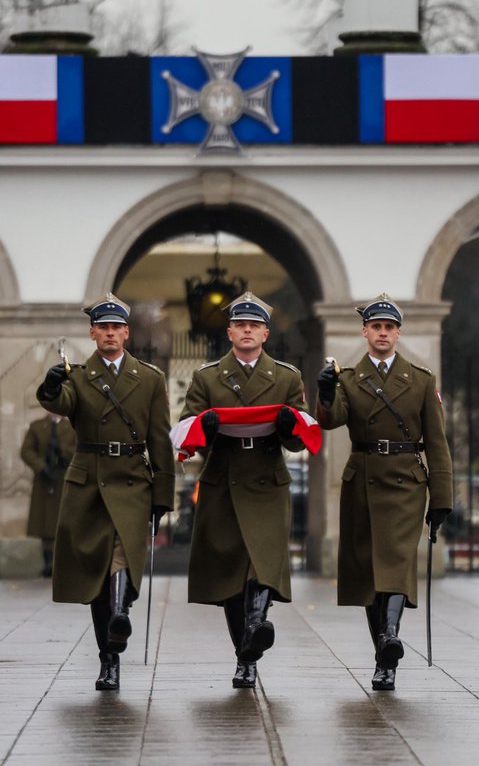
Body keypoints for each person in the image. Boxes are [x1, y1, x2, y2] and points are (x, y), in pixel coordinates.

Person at [314, 294, 454, 691]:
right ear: (365, 331)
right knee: (369, 573)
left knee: (395, 561)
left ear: (398, 333)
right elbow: (332, 420)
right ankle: (384, 654)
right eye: (376, 326)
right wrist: (326, 394)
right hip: (363, 478)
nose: (382, 333)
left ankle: (390, 636)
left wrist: (442, 497)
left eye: (389, 327)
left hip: (406, 482)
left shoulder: (421, 379)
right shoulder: (348, 377)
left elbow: (437, 442)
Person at [37, 294, 174, 691]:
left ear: (126, 333)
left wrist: (163, 493)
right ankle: (108, 657)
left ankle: (119, 615)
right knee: (97, 576)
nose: (110, 333)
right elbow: (62, 403)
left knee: (123, 554)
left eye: (116, 327)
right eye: (103, 327)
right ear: (92, 333)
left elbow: (160, 438)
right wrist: (51, 385)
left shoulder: (150, 378)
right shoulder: (78, 376)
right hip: (89, 482)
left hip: (132, 479)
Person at [181, 291, 308, 690]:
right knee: (232, 575)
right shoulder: (207, 376)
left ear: (266, 333)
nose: (247, 330)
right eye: (240, 325)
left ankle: (256, 626)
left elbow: (300, 438)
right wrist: (205, 427)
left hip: (267, 480)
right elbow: (187, 430)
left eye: (254, 325)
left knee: (262, 563)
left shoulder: (286, 377)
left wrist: (289, 427)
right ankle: (245, 656)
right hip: (223, 479)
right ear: (230, 332)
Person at [20, 412, 77, 577]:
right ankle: (48, 561)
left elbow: (79, 450)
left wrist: (63, 453)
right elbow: (26, 451)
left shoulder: (71, 427)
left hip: (63, 478)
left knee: (63, 520)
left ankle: (63, 561)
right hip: (44, 480)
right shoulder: (37, 426)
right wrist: (41, 467)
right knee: (44, 522)